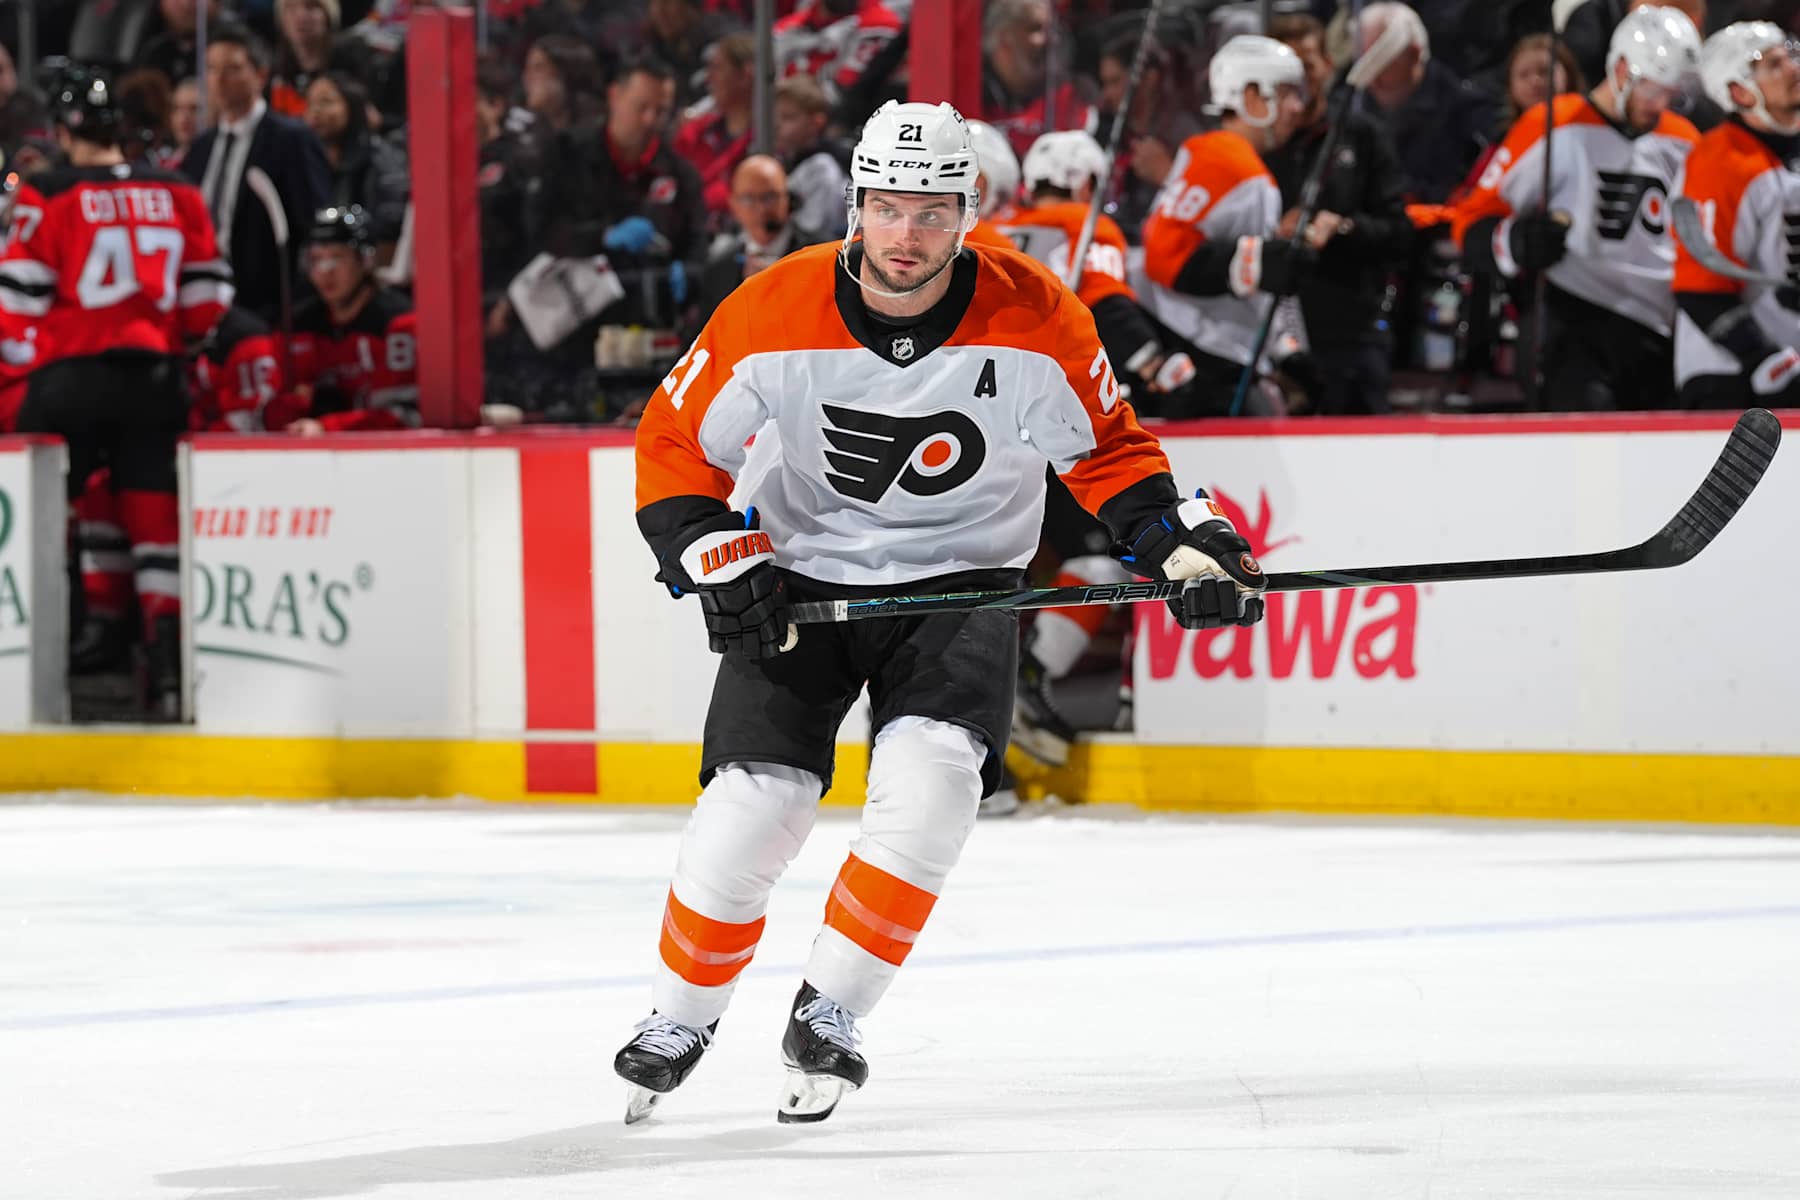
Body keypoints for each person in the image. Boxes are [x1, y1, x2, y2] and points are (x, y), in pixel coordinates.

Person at [613, 99, 1266, 1125]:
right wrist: (709, 549)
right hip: (805, 585)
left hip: (960, 587)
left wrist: (1180, 539)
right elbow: (673, 445)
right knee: (752, 807)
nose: (906, 235)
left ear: (968, 212)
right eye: (886, 208)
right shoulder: (773, 307)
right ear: (857, 207)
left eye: (931, 210)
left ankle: (830, 1011)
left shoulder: (1038, 311)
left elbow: (1107, 453)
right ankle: (680, 1015)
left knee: (931, 792)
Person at [0, 69, 231, 715]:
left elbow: (18, 297)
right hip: (157, 377)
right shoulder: (178, 189)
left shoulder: (49, 191)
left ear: (68, 129)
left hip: (72, 376)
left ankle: (68, 642)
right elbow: (208, 298)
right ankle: (163, 656)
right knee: (152, 512)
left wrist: (33, 351)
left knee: (46, 511)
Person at [1452, 6, 1701, 411]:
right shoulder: (1552, 122)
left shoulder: (1683, 138)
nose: (1661, 105)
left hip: (1660, 328)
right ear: (1621, 70)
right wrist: (1515, 241)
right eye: (1654, 90)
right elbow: (1471, 219)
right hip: (1575, 322)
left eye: (1672, 94)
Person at [1140, 35, 1314, 414]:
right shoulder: (1242, 172)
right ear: (1252, 97)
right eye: (1286, 94)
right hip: (1211, 352)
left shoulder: (1202, 150)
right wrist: (1258, 262)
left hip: (1184, 346)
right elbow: (1167, 257)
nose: (1298, 108)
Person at [1266, 14, 1414, 415]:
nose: (1297, 80)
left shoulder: (1361, 134)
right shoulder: (1253, 144)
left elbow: (1401, 232)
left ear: (1328, 66)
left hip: (1349, 336)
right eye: (1284, 71)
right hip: (1267, 339)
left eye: (1307, 66)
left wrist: (1344, 227)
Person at [1672, 22, 1800, 408]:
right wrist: (1760, 356)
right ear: (1740, 92)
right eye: (1773, 65)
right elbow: (1699, 288)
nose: (1793, 68)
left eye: (1790, 56)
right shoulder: (1720, 162)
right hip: (1730, 374)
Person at [180, 24, 333, 324]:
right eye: (211, 69)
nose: (219, 81)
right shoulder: (200, 148)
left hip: (267, 307)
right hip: (206, 301)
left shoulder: (292, 140)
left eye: (232, 69)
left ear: (260, 76)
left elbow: (314, 225)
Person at [279, 204, 418, 432]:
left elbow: (403, 416)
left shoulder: (398, 325)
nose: (325, 271)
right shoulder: (299, 327)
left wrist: (328, 428)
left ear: (364, 260)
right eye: (316, 260)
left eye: (336, 258)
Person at [695, 154, 825, 327]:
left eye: (770, 197)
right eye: (748, 198)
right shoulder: (718, 269)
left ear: (788, 198)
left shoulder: (823, 256)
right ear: (734, 205)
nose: (761, 208)